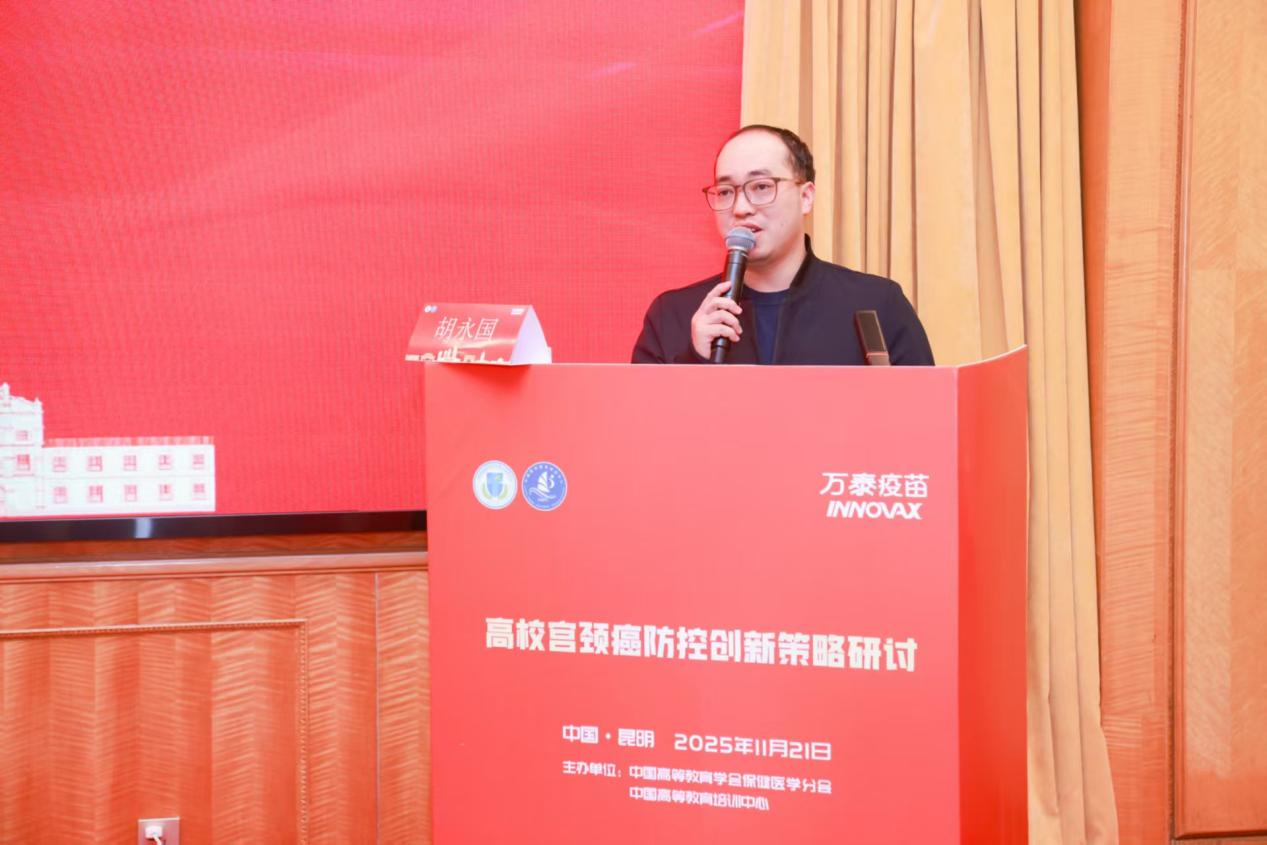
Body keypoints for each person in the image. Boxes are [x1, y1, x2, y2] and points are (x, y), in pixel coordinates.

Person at [631, 125, 934, 366]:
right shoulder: (673, 316)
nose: (740, 208)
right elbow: (644, 423)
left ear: (806, 197)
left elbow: (924, 416)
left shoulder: (877, 304)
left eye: (762, 187)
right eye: (725, 191)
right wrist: (694, 359)